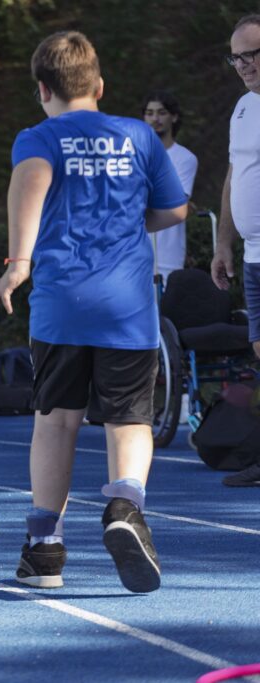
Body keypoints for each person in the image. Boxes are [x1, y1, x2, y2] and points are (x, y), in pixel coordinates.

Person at [0, 31, 187, 593]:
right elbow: (174, 209)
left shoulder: (38, 137)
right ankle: (125, 505)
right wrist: (126, 223)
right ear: (99, 85)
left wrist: (17, 264)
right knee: (129, 419)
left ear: (42, 89)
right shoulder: (139, 135)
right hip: (127, 304)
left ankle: (45, 549)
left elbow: (31, 183)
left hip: (62, 303)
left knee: (56, 421)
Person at [213, 14, 260, 487]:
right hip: (252, 255)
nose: (244, 64)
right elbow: (234, 175)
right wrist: (223, 242)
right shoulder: (244, 107)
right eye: (236, 57)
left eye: (252, 54)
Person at [141, 91, 198, 283]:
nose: (155, 119)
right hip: (132, 254)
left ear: (174, 117)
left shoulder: (185, 158)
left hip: (167, 257)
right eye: (149, 113)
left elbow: (174, 204)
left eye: (161, 112)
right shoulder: (131, 155)